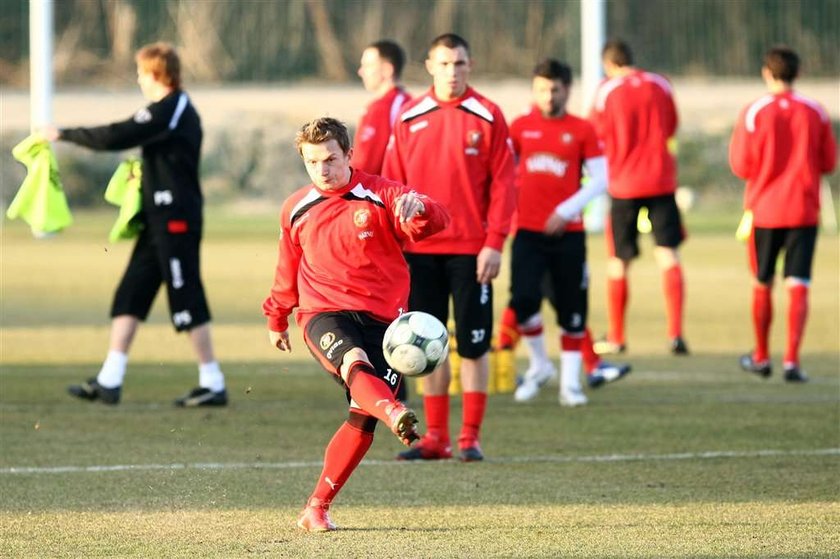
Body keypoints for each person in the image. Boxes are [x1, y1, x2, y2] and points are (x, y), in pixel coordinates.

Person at [263, 117, 449, 532]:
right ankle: (394, 409)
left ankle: (316, 508)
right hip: (323, 312)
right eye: (313, 162)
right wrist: (277, 315)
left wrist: (420, 209)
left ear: (349, 155)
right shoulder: (295, 207)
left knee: (360, 416)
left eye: (330, 159)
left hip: (387, 323)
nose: (323, 170)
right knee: (353, 361)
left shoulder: (383, 194)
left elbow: (436, 222)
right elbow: (286, 269)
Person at [43, 42, 228, 407]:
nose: (139, 78)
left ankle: (213, 382)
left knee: (185, 294)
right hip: (157, 218)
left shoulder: (172, 108)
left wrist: (66, 134)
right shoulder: (166, 111)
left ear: (157, 73)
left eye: (142, 72)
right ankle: (109, 380)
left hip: (176, 218)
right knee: (131, 293)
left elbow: (119, 134)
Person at [383, 33, 516, 462]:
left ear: (469, 65)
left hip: (473, 251)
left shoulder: (489, 116)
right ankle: (435, 438)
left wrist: (494, 243)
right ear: (429, 66)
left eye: (459, 64)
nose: (452, 72)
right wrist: (396, 242)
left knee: (475, 344)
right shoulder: (408, 117)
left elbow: (505, 188)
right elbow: (393, 186)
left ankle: (470, 437)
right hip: (419, 253)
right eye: (444, 64)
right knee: (425, 343)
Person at [498, 59, 631, 406]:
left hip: (568, 234)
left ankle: (570, 385)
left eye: (554, 89)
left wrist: (566, 210)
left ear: (566, 90)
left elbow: (602, 178)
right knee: (524, 301)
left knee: (572, 310)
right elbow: (502, 175)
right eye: (542, 88)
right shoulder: (520, 127)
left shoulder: (582, 130)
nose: (548, 95)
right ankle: (540, 365)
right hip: (527, 231)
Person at [729, 46, 836, 382]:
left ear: (766, 73)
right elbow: (829, 163)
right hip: (804, 210)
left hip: (764, 211)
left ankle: (761, 356)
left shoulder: (754, 112)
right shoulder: (815, 110)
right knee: (798, 284)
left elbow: (740, 165)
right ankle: (792, 361)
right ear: (798, 74)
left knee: (762, 283)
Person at [589, 39, 689, 356]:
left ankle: (617, 337)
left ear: (609, 64)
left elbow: (595, 134)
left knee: (619, 262)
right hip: (661, 181)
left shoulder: (607, 90)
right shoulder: (661, 84)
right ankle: (675, 334)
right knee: (668, 256)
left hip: (624, 186)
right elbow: (672, 126)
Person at [351, 40, 411, 175]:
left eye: (367, 66)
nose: (361, 72)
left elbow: (365, 164)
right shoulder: (410, 102)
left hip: (383, 192)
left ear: (387, 70)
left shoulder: (381, 108)